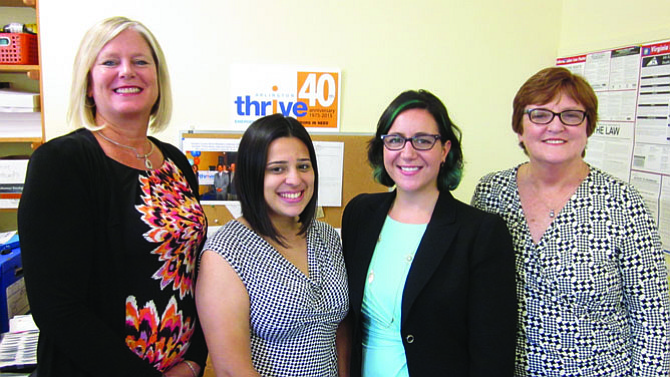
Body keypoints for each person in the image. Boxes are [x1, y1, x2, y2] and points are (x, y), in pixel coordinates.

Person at [17, 16, 207, 377]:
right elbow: (56, 307)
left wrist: (195, 360)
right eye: (109, 62)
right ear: (88, 83)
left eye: (140, 61)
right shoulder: (61, 163)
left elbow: (193, 275)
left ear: (158, 79)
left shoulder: (176, 162)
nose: (127, 72)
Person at [471, 67, 670, 376]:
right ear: (520, 128)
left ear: (587, 127)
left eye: (571, 115)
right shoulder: (492, 192)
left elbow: (654, 317)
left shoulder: (623, 202)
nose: (556, 126)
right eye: (540, 115)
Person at [338, 89, 516, 376]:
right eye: (395, 140)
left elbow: (493, 353)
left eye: (423, 140)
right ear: (382, 148)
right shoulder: (361, 214)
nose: (407, 153)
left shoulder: (480, 233)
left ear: (445, 150)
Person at [195, 114, 349, 376]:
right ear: (252, 175)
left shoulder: (327, 237)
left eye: (303, 166)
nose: (294, 179)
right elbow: (232, 370)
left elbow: (340, 332)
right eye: (277, 168)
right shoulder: (224, 253)